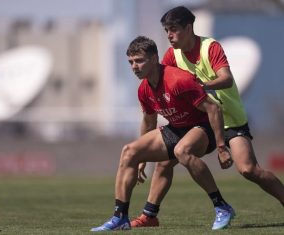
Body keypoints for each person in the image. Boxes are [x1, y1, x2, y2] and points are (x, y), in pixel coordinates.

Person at [131, 6, 284, 228]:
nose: (169, 35)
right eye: (166, 30)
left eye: (173, 29)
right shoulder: (171, 56)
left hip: (229, 118)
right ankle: (149, 215)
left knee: (249, 169)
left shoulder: (209, 47)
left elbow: (227, 79)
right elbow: (165, 87)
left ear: (189, 27)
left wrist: (199, 85)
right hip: (199, 119)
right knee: (166, 160)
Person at [91, 36, 235, 232]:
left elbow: (213, 109)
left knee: (181, 151)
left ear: (154, 59)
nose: (134, 66)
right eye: (131, 62)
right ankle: (120, 217)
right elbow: (149, 122)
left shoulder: (178, 80)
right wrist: (142, 159)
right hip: (177, 128)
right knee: (129, 151)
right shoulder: (143, 89)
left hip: (204, 126)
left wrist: (221, 147)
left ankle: (222, 206)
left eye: (139, 60)